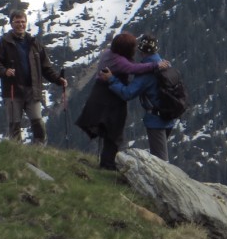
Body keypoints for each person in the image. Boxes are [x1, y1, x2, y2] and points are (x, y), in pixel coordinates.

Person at [74, 31, 168, 169]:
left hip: (101, 95)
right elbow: (133, 68)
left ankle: (107, 164)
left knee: (110, 132)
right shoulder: (119, 61)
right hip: (110, 98)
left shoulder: (108, 53)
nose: (135, 50)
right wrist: (156, 65)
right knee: (114, 132)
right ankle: (109, 165)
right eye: (132, 48)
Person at [0, 8, 67, 144]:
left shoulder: (34, 43)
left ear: (26, 23)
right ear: (11, 23)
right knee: (15, 124)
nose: (21, 25)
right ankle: (17, 152)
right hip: (13, 89)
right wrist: (5, 71)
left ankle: (38, 150)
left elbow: (45, 67)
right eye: (17, 22)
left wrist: (57, 79)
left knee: (37, 121)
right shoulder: (4, 42)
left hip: (33, 90)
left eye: (23, 22)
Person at [100, 32, 176, 161]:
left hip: (155, 120)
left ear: (142, 51)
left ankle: (160, 181)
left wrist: (111, 79)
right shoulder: (165, 64)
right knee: (161, 153)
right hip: (170, 115)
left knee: (160, 160)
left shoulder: (146, 74)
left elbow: (127, 93)